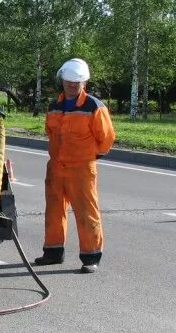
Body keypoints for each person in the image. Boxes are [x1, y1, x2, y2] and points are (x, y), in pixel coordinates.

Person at [33, 58, 115, 274]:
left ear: (84, 83)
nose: (71, 85)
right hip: (56, 167)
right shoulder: (54, 106)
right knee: (54, 210)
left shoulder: (93, 106)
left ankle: (91, 257)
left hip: (81, 168)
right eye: (68, 81)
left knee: (86, 212)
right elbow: (50, 132)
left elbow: (106, 139)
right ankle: (53, 252)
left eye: (76, 82)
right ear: (63, 81)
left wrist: (89, 157)